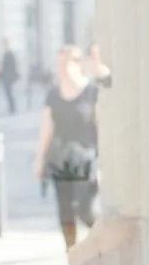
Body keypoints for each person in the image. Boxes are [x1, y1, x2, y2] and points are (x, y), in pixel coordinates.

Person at [33, 45, 110, 249]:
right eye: (58, 64)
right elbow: (46, 129)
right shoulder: (53, 95)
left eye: (64, 63)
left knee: (85, 208)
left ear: (77, 65)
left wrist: (104, 163)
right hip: (61, 160)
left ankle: (102, 243)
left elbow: (103, 126)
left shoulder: (91, 92)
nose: (60, 69)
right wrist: (39, 160)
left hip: (86, 160)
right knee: (65, 210)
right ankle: (71, 252)